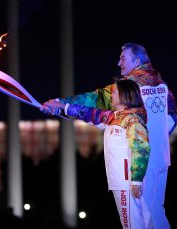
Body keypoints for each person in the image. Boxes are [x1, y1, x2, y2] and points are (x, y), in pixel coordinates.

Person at [41, 43, 177, 229]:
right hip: (160, 160)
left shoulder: (128, 87)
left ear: (137, 60)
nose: (119, 62)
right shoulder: (162, 85)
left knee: (139, 219)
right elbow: (172, 119)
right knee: (155, 214)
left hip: (136, 163)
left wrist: (60, 103)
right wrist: (153, 138)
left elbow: (95, 100)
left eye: (123, 58)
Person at [44, 79, 151, 228]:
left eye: (115, 92)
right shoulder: (115, 117)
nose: (111, 95)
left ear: (125, 95)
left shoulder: (132, 120)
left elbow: (141, 148)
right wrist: (61, 106)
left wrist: (136, 180)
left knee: (133, 224)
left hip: (127, 183)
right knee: (134, 223)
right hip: (120, 182)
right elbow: (89, 113)